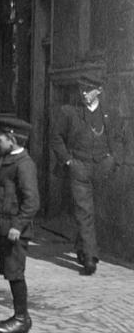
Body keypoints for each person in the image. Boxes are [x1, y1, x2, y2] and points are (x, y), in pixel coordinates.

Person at [50, 74, 123, 275]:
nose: (83, 93)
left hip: (102, 169)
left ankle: (83, 248)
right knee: (84, 211)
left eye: (88, 90)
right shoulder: (69, 112)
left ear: (99, 91)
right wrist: (68, 161)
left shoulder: (110, 114)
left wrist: (113, 159)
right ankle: (90, 258)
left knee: (96, 211)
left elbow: (118, 138)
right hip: (79, 167)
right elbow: (56, 138)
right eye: (81, 89)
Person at [0, 115, 40, 333]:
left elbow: (32, 201)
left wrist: (18, 226)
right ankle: (20, 316)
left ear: (11, 138)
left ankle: (21, 318)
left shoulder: (24, 165)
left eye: (0, 136)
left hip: (14, 230)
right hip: (4, 226)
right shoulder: (7, 159)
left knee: (15, 272)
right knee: (10, 272)